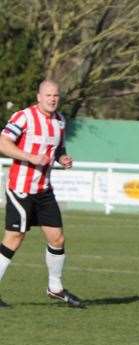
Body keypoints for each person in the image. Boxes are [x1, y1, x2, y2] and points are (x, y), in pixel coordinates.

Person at [0, 79, 83, 308]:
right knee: (14, 238)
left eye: (56, 95)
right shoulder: (23, 117)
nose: (52, 99)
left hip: (43, 189)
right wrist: (30, 157)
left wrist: (62, 158)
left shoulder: (60, 122)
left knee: (57, 238)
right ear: (38, 97)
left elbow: (58, 149)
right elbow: (3, 143)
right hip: (21, 188)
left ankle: (55, 288)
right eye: (48, 95)